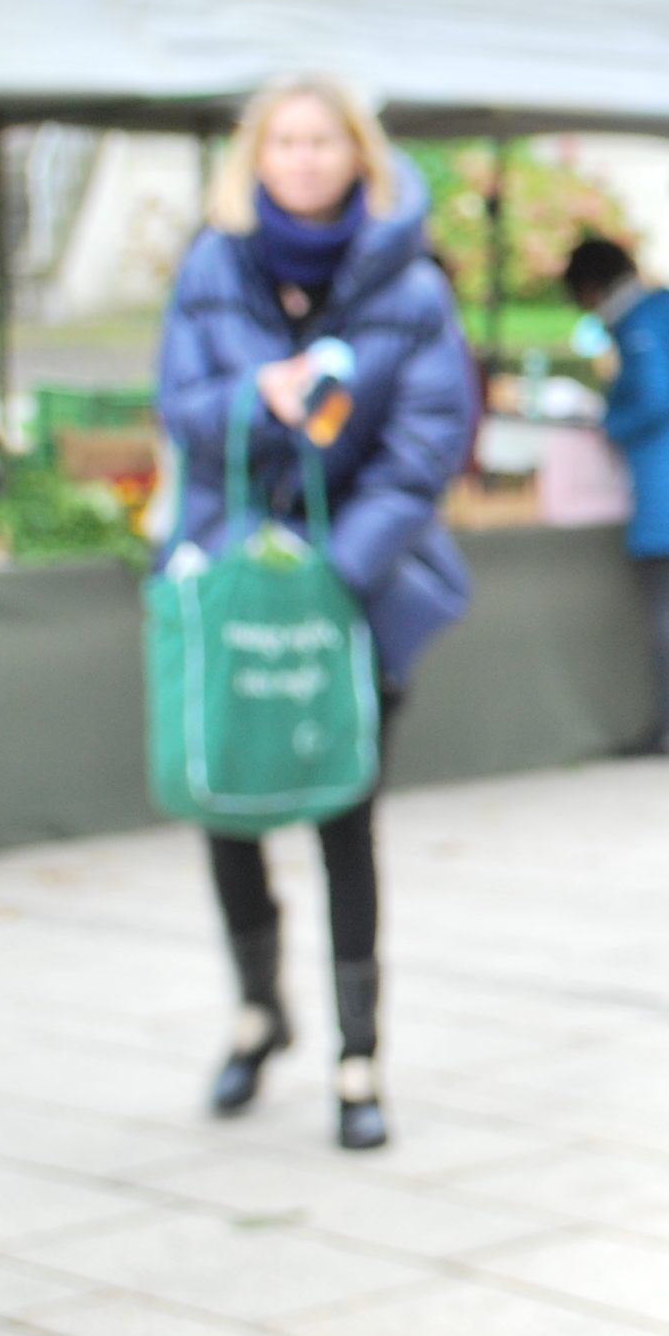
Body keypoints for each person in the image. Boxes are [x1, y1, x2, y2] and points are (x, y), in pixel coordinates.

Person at [157, 76, 474, 1151]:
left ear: (357, 156)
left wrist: (336, 568)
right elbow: (182, 408)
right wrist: (262, 398)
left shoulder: (411, 285)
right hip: (235, 588)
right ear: (256, 157)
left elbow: (428, 437)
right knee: (228, 798)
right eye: (283, 142)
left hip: (356, 589)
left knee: (345, 812)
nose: (301, 159)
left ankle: (357, 1053)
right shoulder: (212, 268)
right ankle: (257, 1013)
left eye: (320, 141)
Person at [561, 236, 669, 754]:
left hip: (666, 480)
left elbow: (657, 397)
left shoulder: (638, 326)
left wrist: (612, 422)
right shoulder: (660, 317)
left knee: (667, 607)